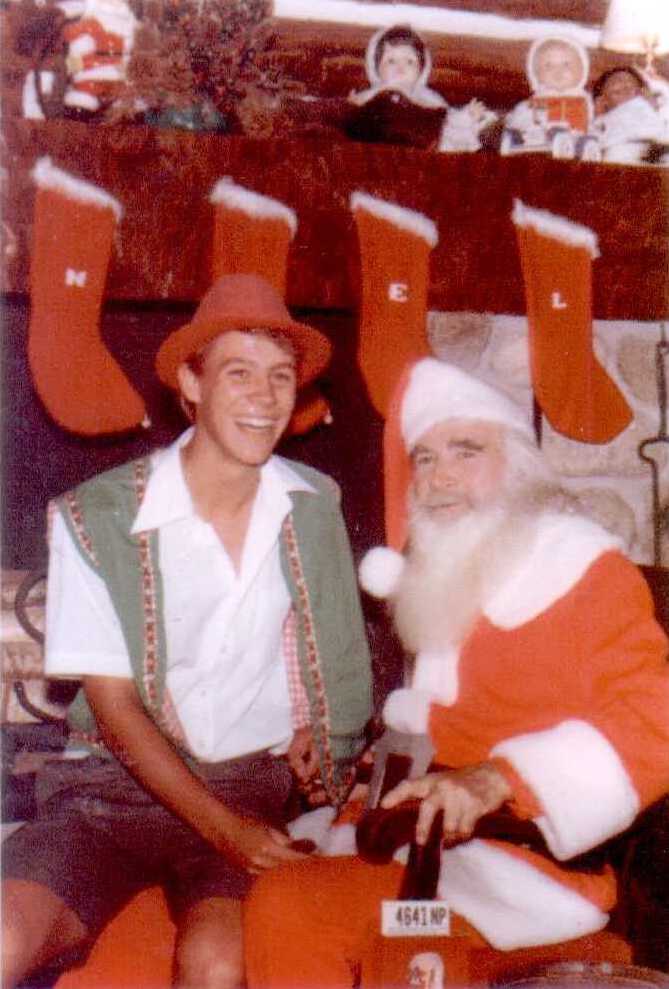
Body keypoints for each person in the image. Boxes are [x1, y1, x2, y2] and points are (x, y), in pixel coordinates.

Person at [243, 357, 669, 988]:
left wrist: (499, 779)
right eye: (425, 458)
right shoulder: (449, 572)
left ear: (518, 465)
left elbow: (654, 721)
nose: (440, 479)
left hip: (522, 874)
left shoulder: (583, 572)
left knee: (293, 907)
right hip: (412, 848)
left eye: (465, 452)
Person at [1, 273, 373, 989]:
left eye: (280, 376)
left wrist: (318, 734)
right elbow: (112, 706)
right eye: (239, 373)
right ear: (190, 384)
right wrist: (226, 830)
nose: (264, 398)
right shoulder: (98, 515)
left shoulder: (312, 507)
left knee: (215, 964)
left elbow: (330, 651)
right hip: (109, 792)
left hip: (246, 787)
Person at [502, 36, 598, 159]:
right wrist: (520, 117)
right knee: (514, 125)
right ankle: (511, 142)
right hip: (533, 135)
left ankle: (582, 148)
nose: (558, 71)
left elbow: (592, 122)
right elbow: (521, 115)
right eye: (548, 66)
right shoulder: (535, 100)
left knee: (583, 136)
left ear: (582, 71)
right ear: (536, 74)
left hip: (571, 136)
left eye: (566, 65)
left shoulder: (582, 100)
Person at [348, 24, 447, 110]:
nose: (400, 68)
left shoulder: (427, 98)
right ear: (375, 68)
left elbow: (444, 116)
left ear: (422, 69)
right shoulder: (372, 95)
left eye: (409, 62)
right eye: (391, 61)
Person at [592, 66, 667, 164]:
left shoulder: (649, 108)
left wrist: (653, 105)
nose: (624, 83)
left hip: (659, 146)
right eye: (615, 81)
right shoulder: (602, 121)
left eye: (630, 81)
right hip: (621, 150)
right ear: (602, 100)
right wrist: (598, 115)